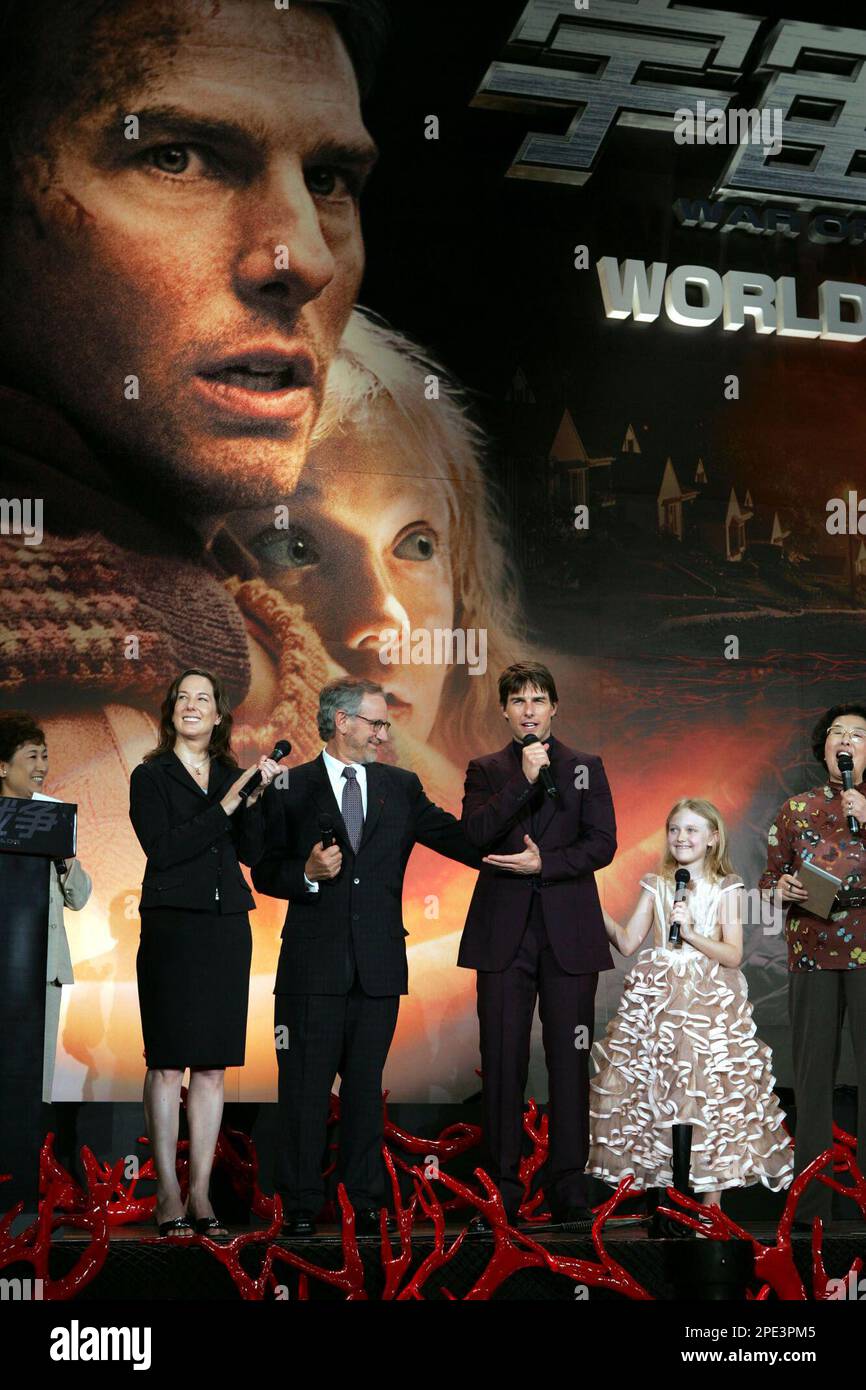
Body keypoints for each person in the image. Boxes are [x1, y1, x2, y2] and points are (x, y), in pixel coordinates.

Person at [252, 676, 481, 1236]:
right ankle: (302, 1207)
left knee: (363, 1090)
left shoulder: (401, 787)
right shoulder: (292, 786)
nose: (384, 733)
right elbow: (262, 868)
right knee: (303, 1092)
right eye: (376, 722)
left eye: (384, 724)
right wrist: (304, 875)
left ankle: (365, 1203)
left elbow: (461, 839)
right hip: (311, 969)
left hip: (378, 969)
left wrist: (523, 836)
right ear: (342, 722)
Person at [458, 661, 617, 1232]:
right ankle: (499, 1185)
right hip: (504, 934)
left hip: (569, 934)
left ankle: (568, 1181)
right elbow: (474, 834)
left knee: (569, 1060)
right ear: (504, 710)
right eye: (518, 700)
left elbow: (603, 844)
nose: (529, 709)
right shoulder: (486, 769)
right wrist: (522, 781)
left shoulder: (585, 768)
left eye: (539, 699)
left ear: (554, 707)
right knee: (501, 1060)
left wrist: (544, 863)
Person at [590, 798, 793, 1233]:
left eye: (692, 830)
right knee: (655, 1091)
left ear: (713, 838)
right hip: (658, 1000)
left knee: (708, 1095)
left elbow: (733, 954)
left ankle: (708, 1205)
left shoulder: (727, 887)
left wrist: (692, 931)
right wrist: (589, 903)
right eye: (675, 829)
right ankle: (661, 1197)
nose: (682, 838)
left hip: (707, 1001)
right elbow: (628, 943)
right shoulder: (658, 883)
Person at [129, 669, 280, 1237]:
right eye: (183, 698)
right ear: (171, 712)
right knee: (167, 1062)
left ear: (219, 715)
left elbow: (254, 854)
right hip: (171, 927)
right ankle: (167, 1188)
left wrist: (255, 801)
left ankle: (200, 1195)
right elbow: (164, 851)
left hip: (224, 927)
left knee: (212, 1066)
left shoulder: (232, 776)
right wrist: (227, 804)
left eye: (205, 699)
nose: (193, 707)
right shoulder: (151, 776)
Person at [758, 705, 866, 1230]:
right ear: (824, 748)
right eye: (838, 734)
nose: (846, 741)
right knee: (813, 1079)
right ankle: (812, 1211)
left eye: (858, 735)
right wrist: (780, 889)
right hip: (811, 951)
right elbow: (764, 887)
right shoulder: (794, 809)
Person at [0, 711, 91, 1214]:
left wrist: (66, 858)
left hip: (40, 975)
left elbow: (79, 897)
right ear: (2, 766)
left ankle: (23, 1203)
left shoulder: (54, 816)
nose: (42, 766)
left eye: (45, 756)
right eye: (31, 756)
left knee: (29, 1090)